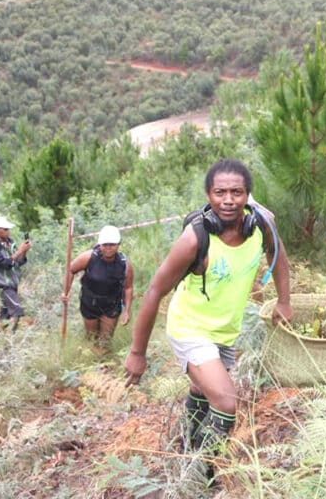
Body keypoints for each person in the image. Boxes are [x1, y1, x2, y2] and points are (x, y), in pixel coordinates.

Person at [123, 159, 293, 467]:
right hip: (189, 328)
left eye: (236, 192)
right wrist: (137, 352)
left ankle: (186, 444)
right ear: (208, 194)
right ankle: (200, 473)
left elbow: (279, 259)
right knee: (226, 402)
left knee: (202, 390)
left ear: (247, 195)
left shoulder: (262, 227)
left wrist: (284, 301)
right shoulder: (195, 239)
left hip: (225, 331)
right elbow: (154, 292)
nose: (228, 200)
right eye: (220, 192)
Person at [62, 225, 133, 346]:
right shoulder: (88, 257)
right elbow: (71, 270)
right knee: (92, 338)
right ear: (100, 244)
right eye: (105, 244)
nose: (108, 248)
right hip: (90, 303)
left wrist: (126, 310)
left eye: (112, 244)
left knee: (105, 341)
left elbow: (128, 288)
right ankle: (91, 361)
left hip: (112, 304)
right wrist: (66, 292)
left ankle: (104, 362)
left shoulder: (124, 264)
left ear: (118, 244)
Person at [0, 216, 31, 331]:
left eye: (8, 229)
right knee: (17, 311)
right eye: (5, 229)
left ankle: (2, 339)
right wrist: (20, 251)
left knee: (5, 317)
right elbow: (4, 264)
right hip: (2, 285)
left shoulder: (10, 242)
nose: (8, 231)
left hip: (12, 283)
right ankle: (11, 338)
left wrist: (24, 252)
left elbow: (18, 262)